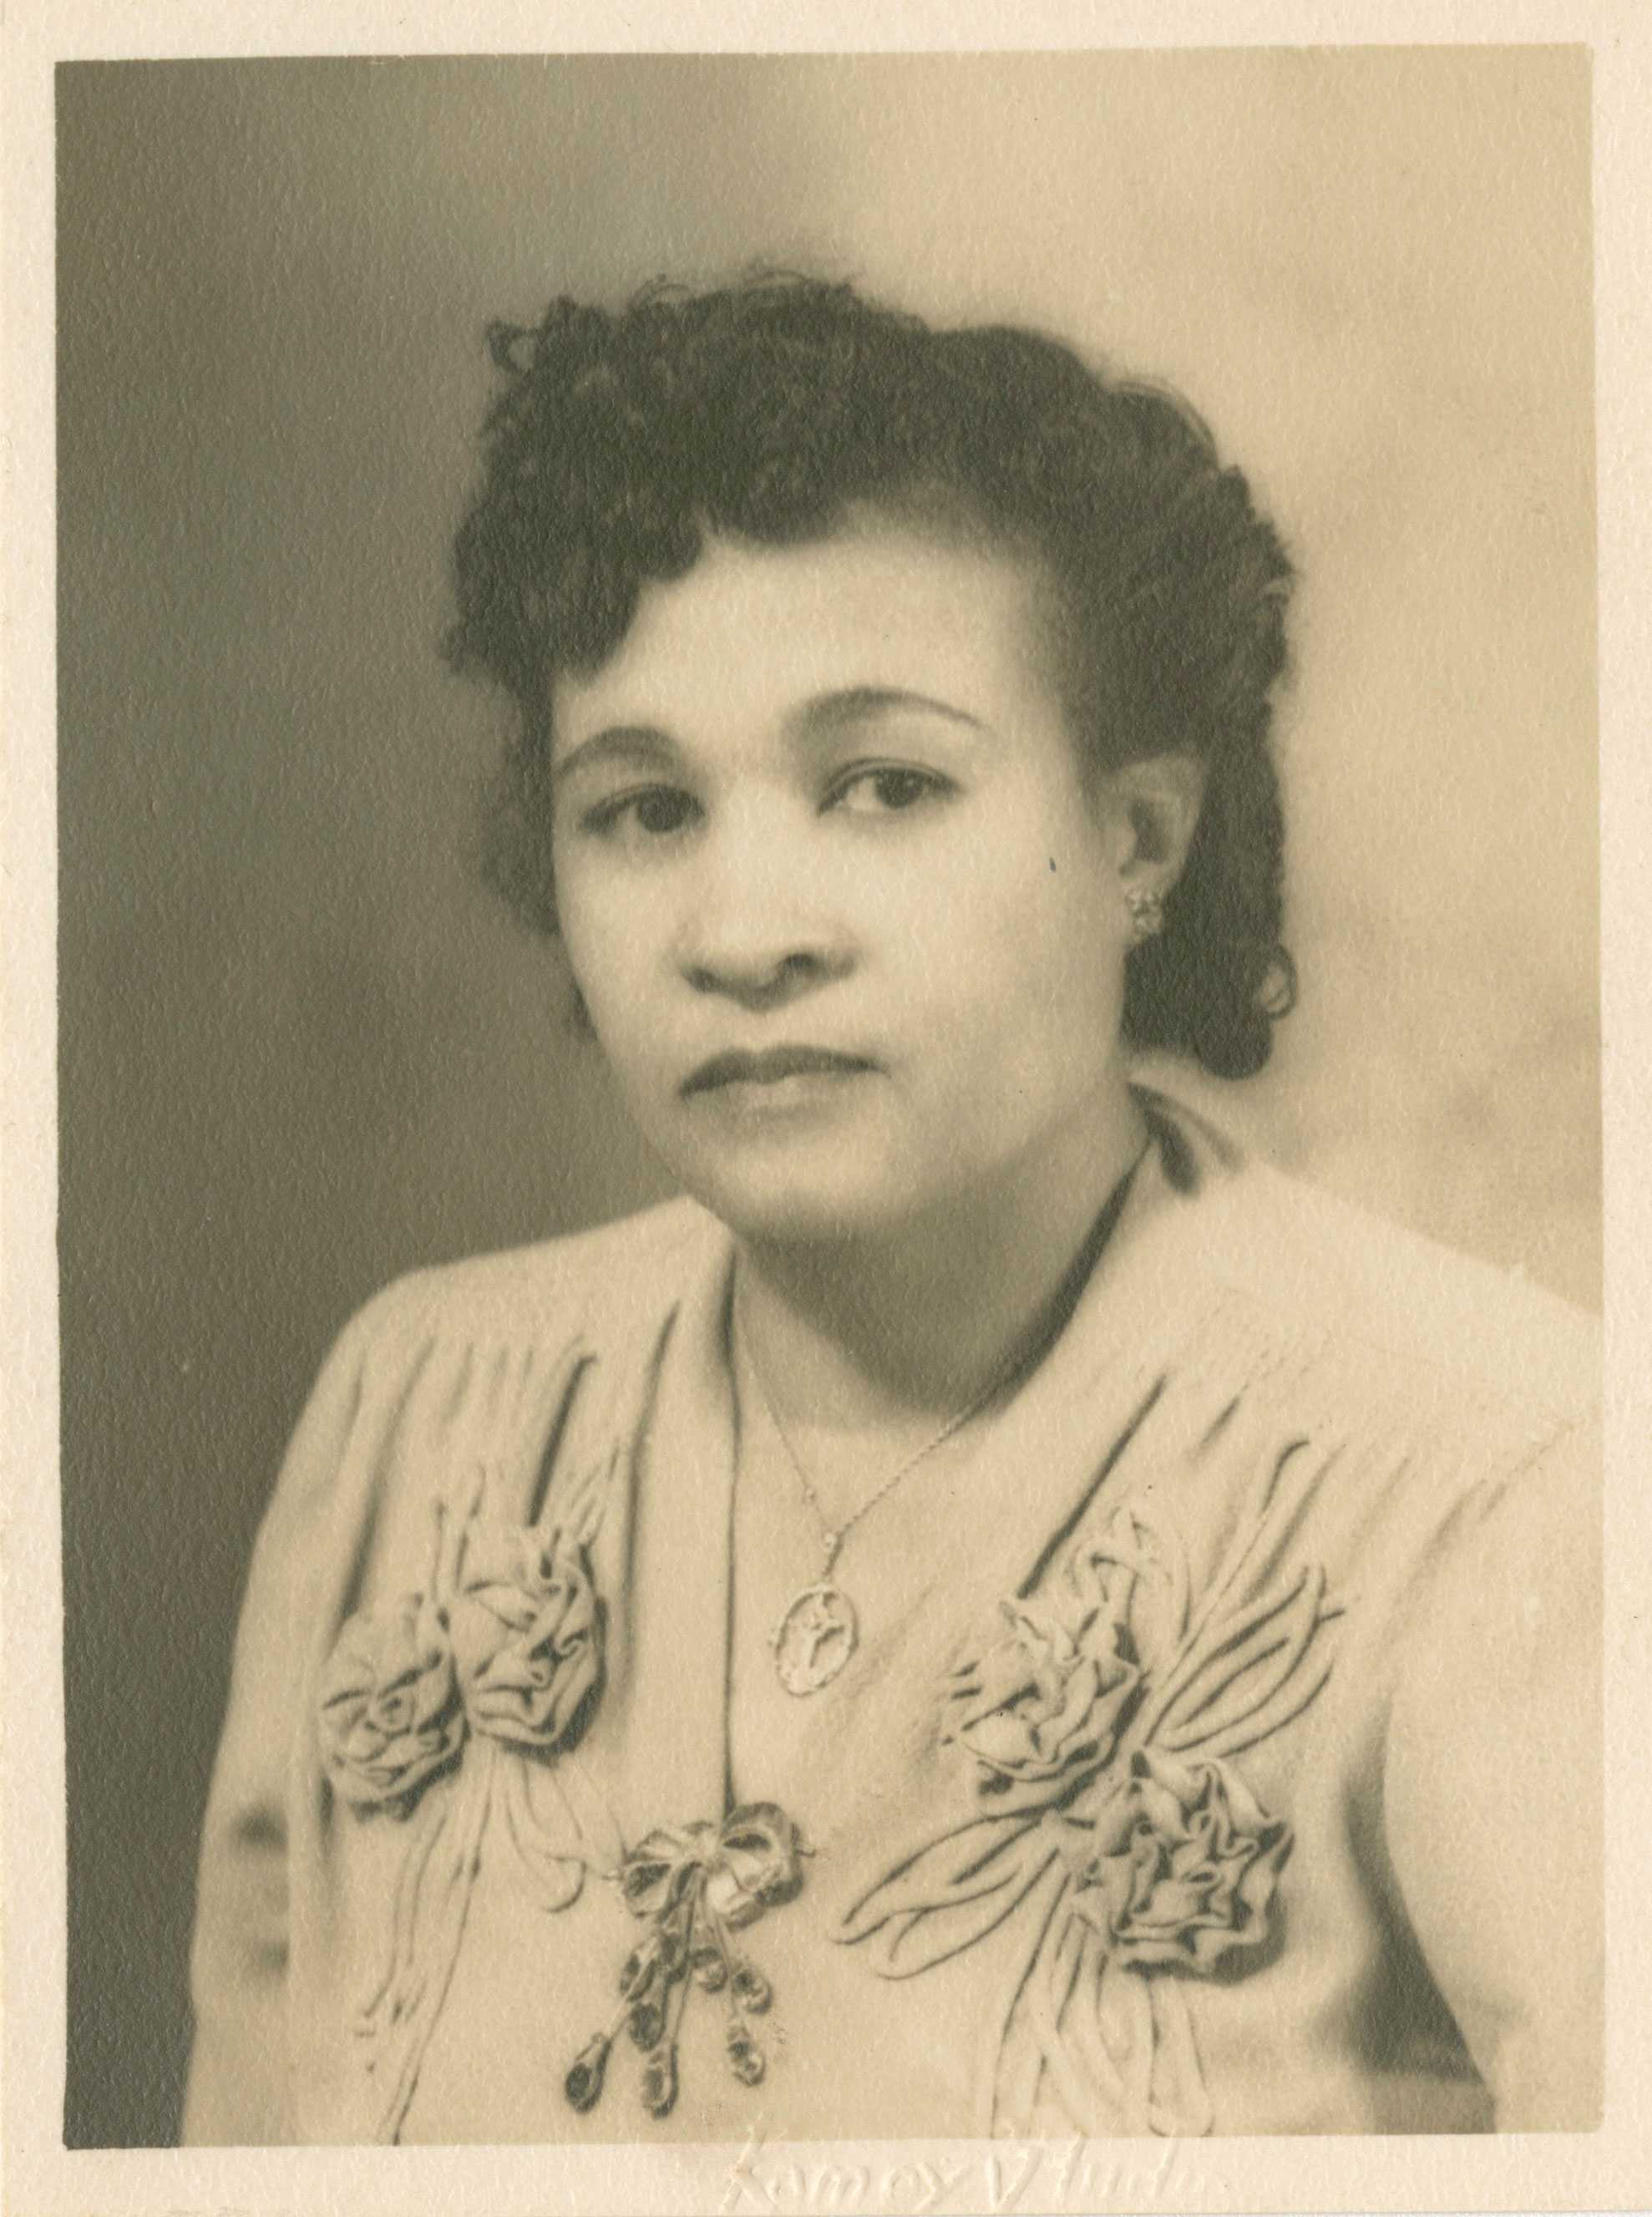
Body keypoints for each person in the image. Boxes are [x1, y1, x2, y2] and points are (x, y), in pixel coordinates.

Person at [183, 274, 1601, 2145]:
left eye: (881, 785)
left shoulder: (1496, 1476)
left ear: (1137, 841)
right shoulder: (421, 1413)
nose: (744, 933)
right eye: (642, 810)